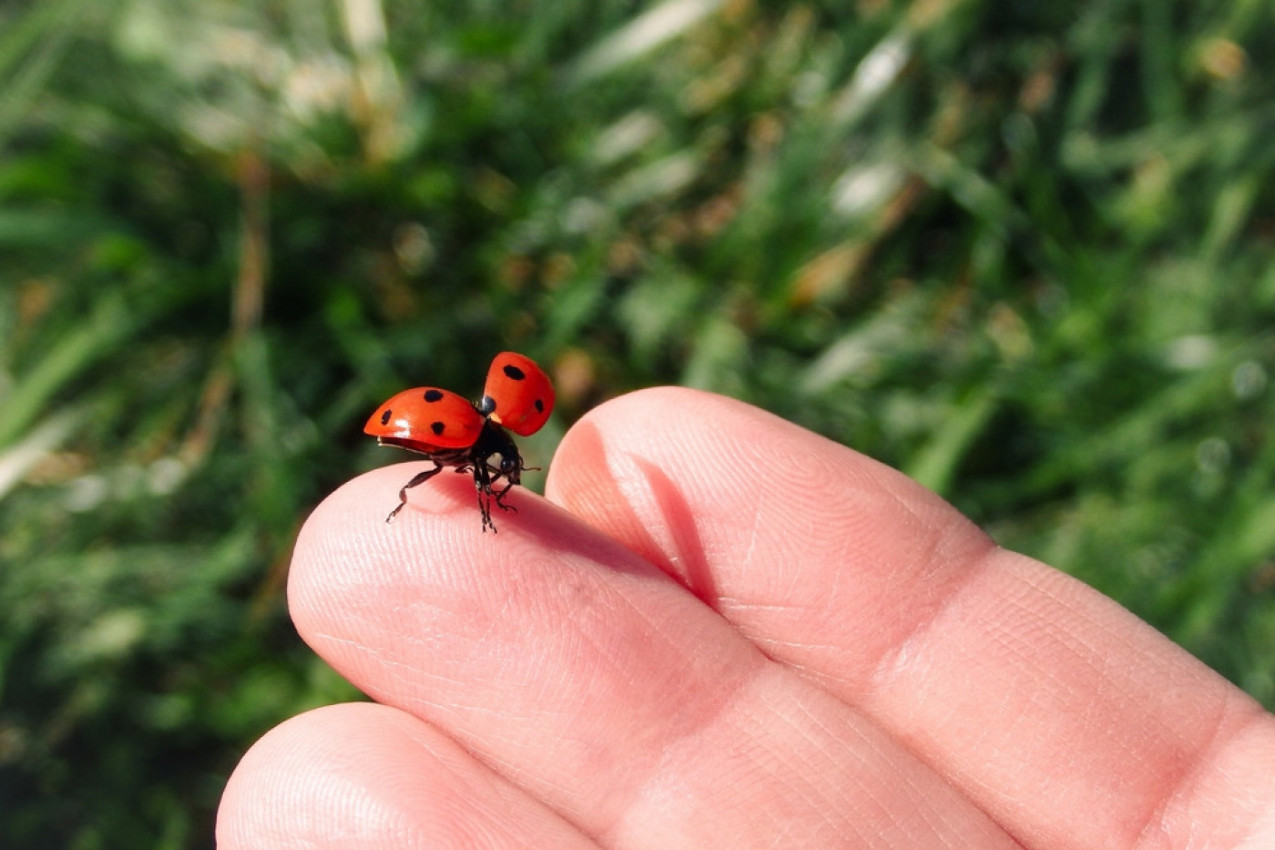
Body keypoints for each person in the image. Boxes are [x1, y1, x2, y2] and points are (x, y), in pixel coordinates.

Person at [217, 387, 1275, 848]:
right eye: (490, 471)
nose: (496, 474)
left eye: (487, 469)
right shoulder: (466, 444)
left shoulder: (473, 441)